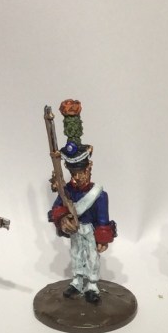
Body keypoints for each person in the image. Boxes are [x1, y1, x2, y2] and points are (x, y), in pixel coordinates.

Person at [48, 100, 116, 304]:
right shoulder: (67, 190)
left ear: (89, 168)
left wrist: (102, 238)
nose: (77, 178)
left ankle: (92, 284)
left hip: (89, 230)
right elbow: (55, 209)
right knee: (76, 254)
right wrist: (62, 219)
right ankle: (77, 280)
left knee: (92, 257)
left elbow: (102, 219)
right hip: (75, 229)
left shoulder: (99, 194)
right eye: (73, 173)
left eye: (81, 173)